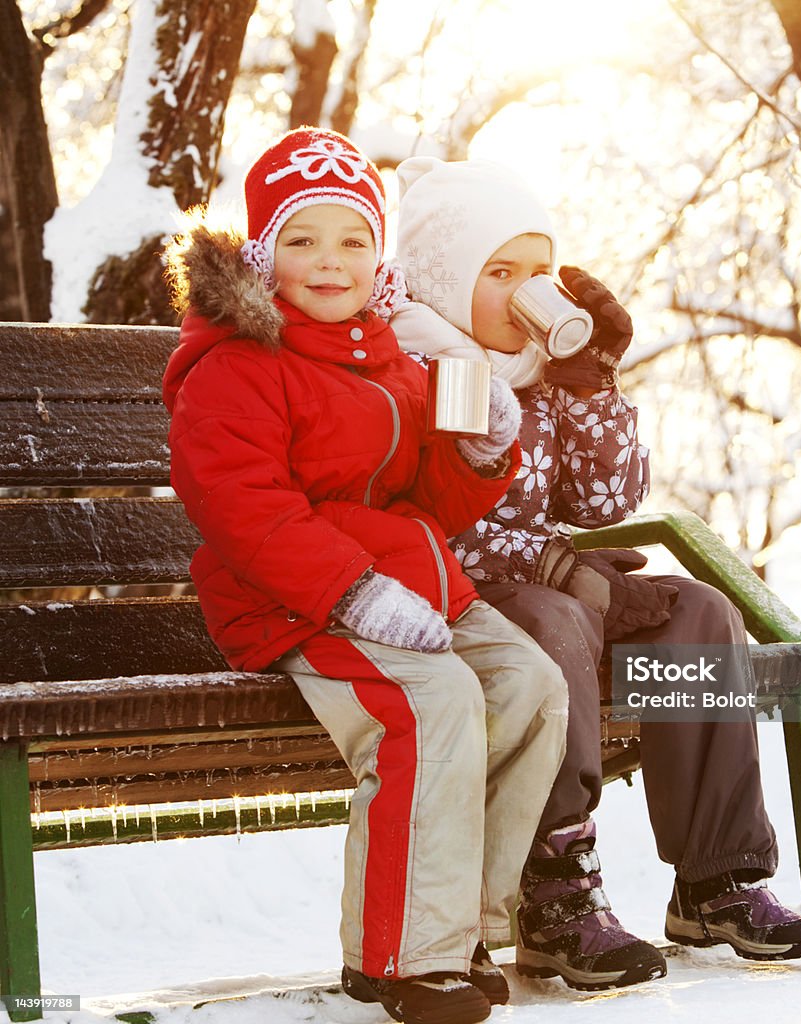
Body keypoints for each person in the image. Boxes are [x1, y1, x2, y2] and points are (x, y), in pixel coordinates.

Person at [389, 156, 801, 993]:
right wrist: (568, 573)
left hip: (551, 592)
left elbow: (604, 499)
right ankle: (554, 894)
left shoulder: (539, 373)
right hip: (450, 609)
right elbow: (433, 523)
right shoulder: (426, 367)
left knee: (698, 611)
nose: (528, 292)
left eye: (540, 272)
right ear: (444, 279)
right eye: (500, 272)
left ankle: (717, 876)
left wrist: (592, 385)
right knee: (553, 623)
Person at [161, 128, 569, 1024]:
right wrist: (356, 593)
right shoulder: (234, 365)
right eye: (303, 240)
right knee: (430, 704)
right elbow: (246, 510)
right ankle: (402, 958)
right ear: (265, 255)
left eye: (352, 240)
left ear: (377, 256)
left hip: (406, 585)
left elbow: (429, 499)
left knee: (529, 685)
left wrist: (483, 449)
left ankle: (456, 930)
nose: (330, 262)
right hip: (296, 600)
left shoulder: (385, 355)